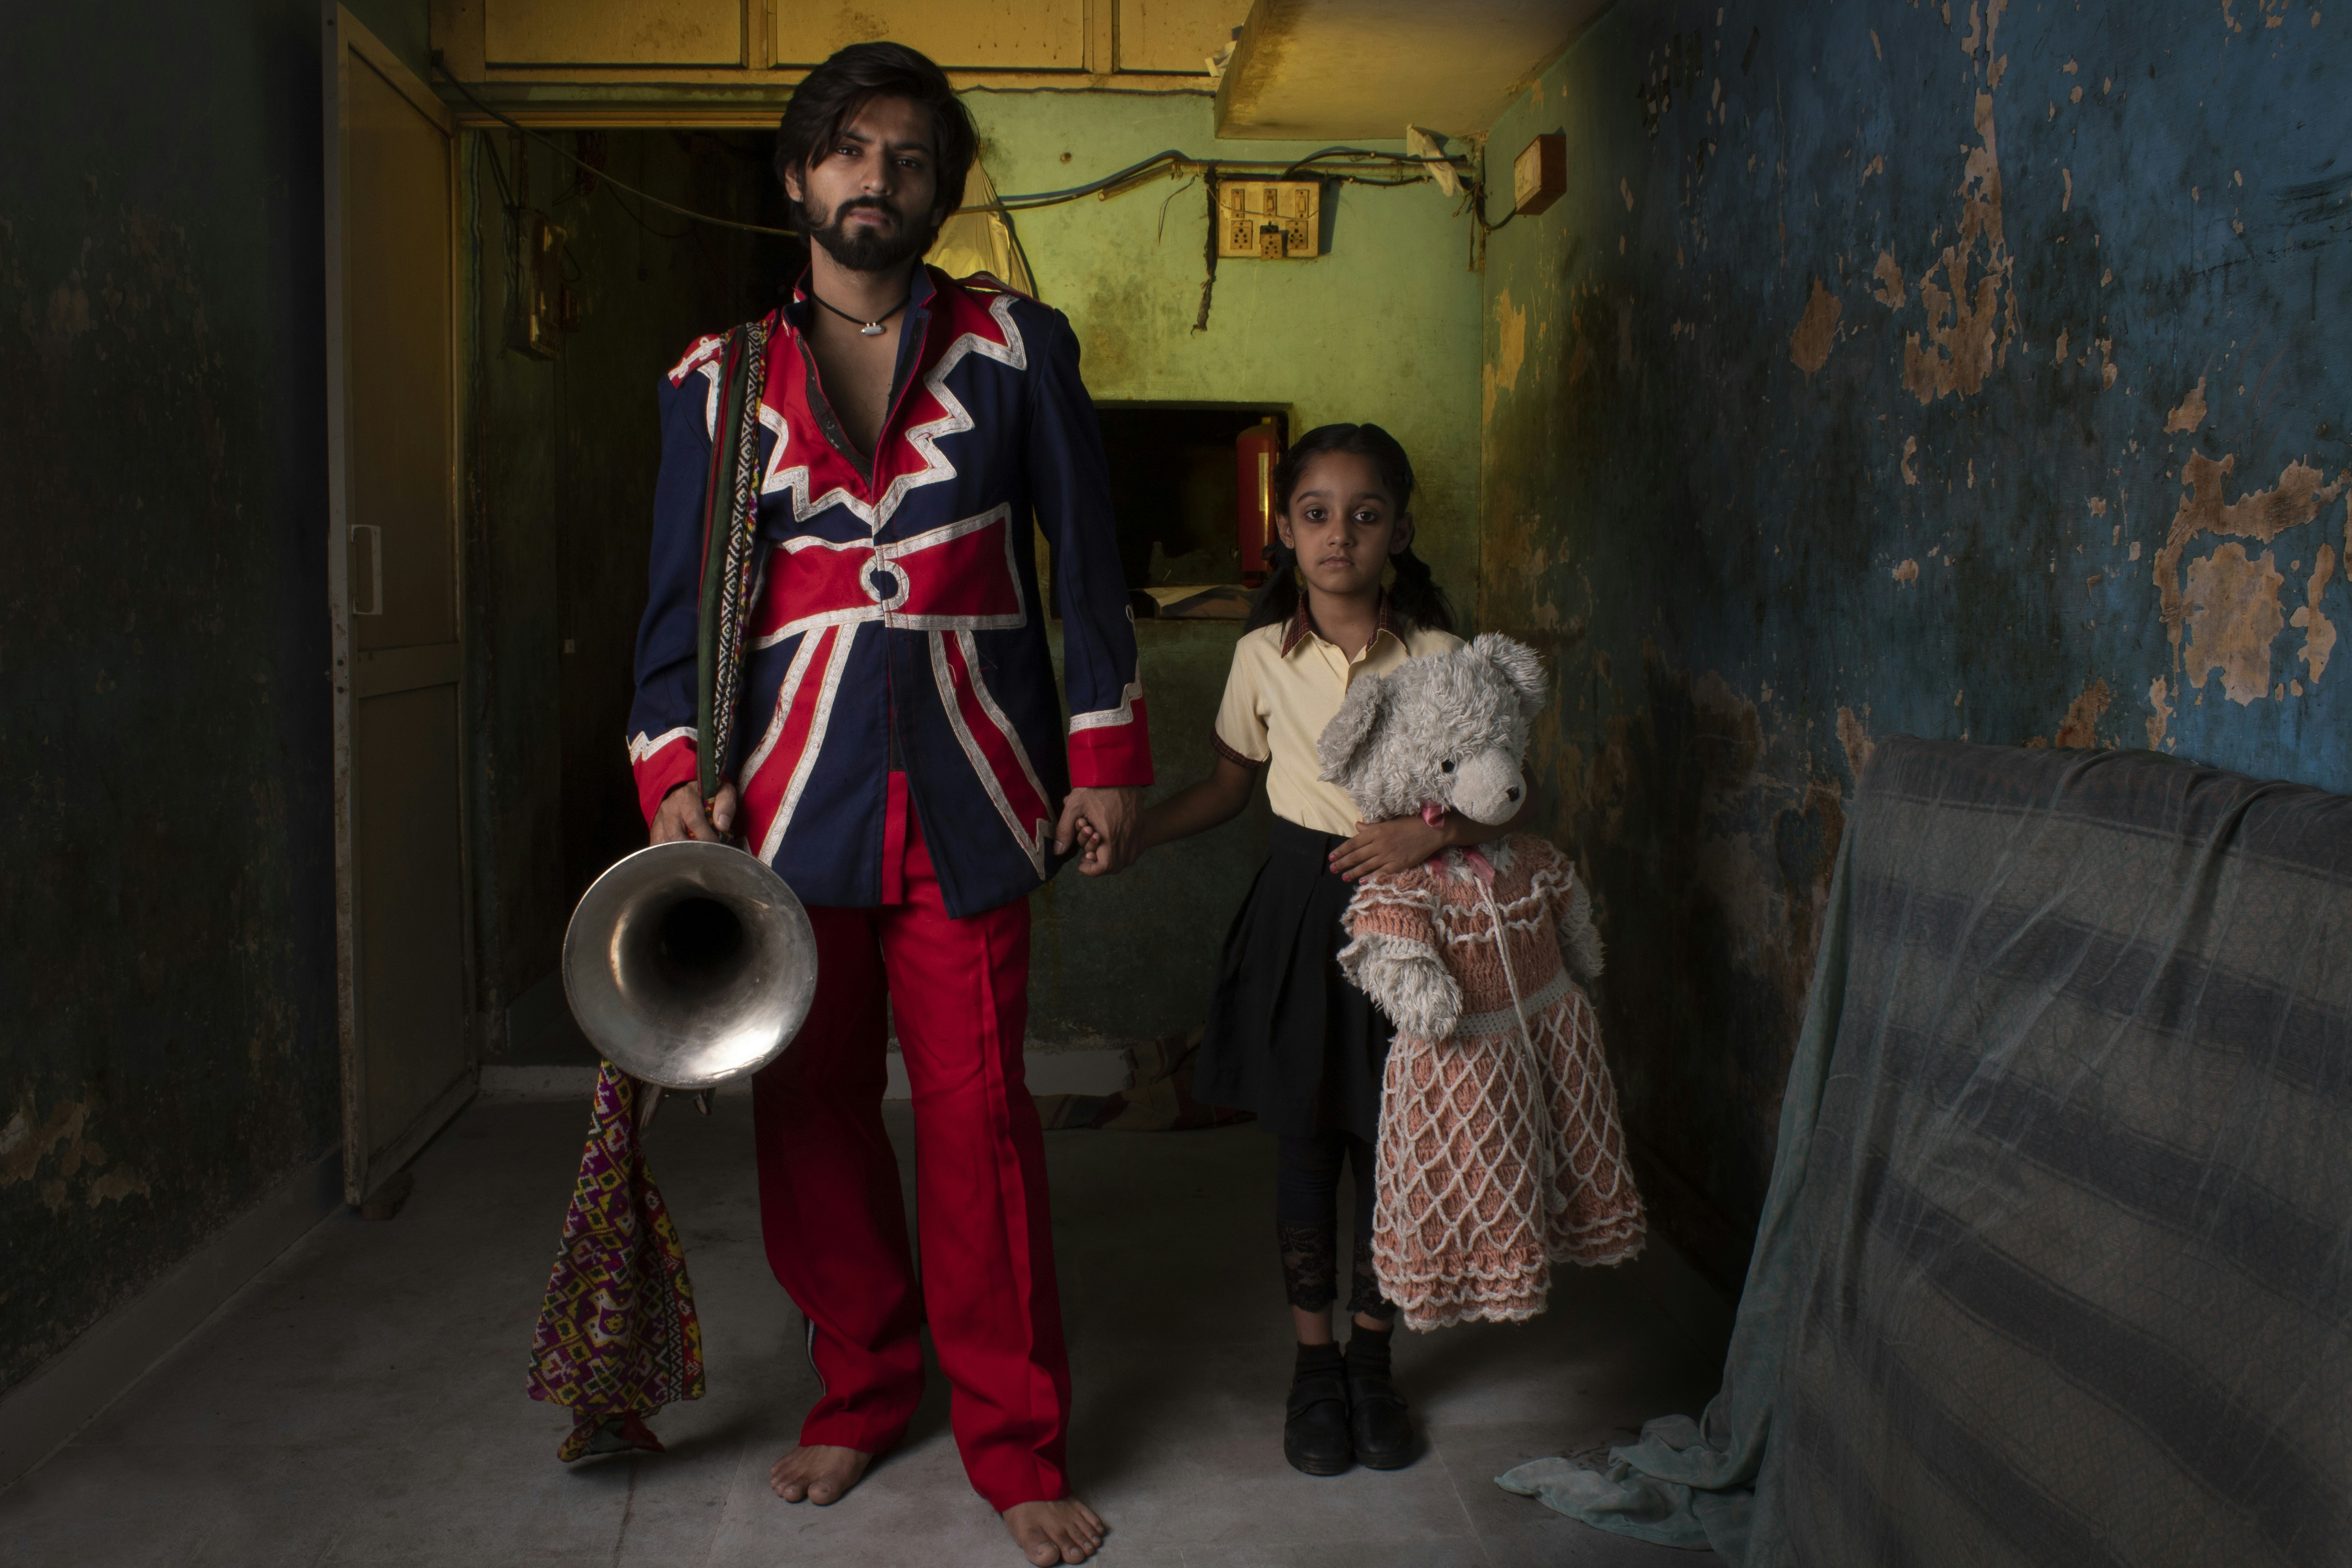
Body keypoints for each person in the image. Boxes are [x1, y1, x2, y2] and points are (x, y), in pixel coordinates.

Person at [623, 41, 1148, 1567]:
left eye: (908, 158)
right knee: (810, 1106)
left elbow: (1088, 572)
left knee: (982, 1120)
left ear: (940, 187)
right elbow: (669, 620)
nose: (877, 179)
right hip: (786, 801)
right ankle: (858, 1394)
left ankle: (1015, 1440)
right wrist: (672, 782)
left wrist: (1104, 760)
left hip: (981, 786)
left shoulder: (1016, 345)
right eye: (848, 152)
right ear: (797, 177)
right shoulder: (714, 379)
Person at [1073, 424, 1537, 1475]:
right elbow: (1231, 790)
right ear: (1285, 531)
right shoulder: (1257, 658)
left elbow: (1506, 796)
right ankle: (1313, 1366)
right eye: (1317, 514)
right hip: (1299, 907)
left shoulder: (1445, 660)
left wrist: (1432, 832)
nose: (1340, 536)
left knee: (1398, 1144)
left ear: (1401, 532)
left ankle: (1375, 1364)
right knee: (1304, 1144)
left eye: (1365, 516)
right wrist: (1135, 830)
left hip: (1417, 922)